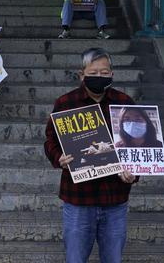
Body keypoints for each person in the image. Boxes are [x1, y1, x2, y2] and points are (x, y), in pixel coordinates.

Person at [44, 47, 138, 263]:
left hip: (115, 198)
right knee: (75, 259)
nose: (99, 77)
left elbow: (136, 145)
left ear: (112, 74)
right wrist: (58, 158)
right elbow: (50, 140)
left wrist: (134, 171)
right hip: (78, 199)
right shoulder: (66, 104)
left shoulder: (124, 103)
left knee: (113, 259)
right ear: (82, 74)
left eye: (104, 73)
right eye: (93, 73)